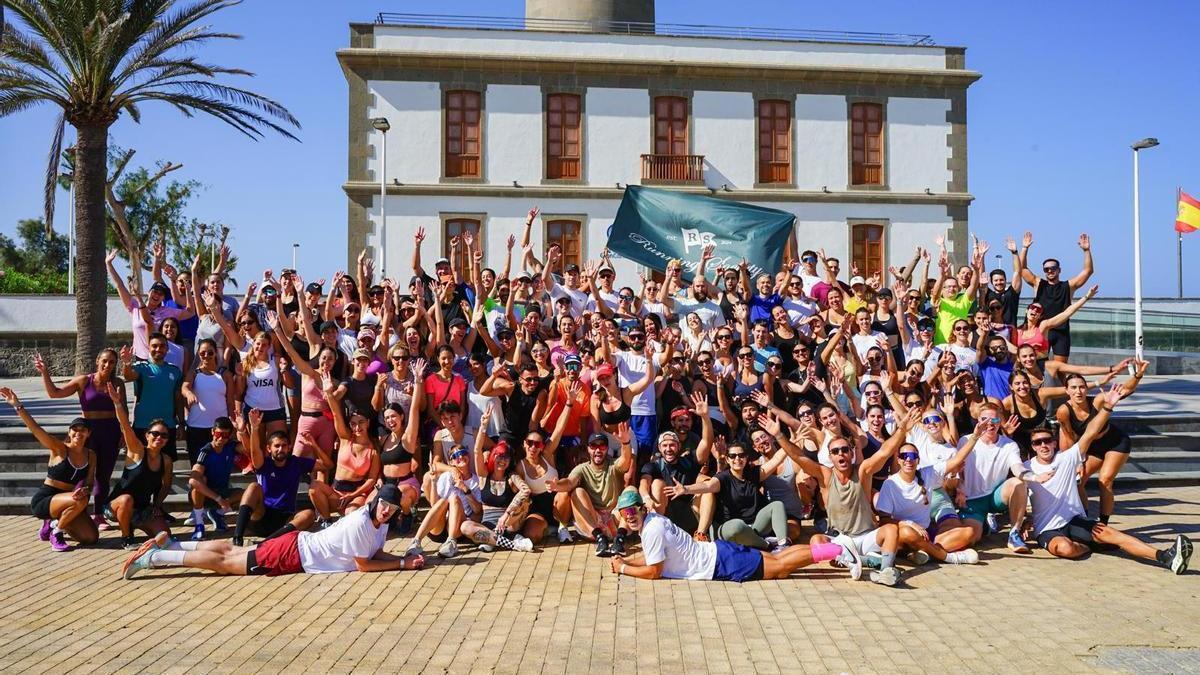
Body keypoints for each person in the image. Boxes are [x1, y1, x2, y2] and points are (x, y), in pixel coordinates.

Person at [1025, 385, 1191, 574]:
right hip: (1047, 528)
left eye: (1047, 440)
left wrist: (1108, 407)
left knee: (1113, 535)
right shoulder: (1027, 468)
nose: (1043, 445)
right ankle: (1089, 546)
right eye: (1038, 443)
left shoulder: (1067, 458)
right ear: (1033, 447)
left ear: (1054, 442)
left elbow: (1090, 433)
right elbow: (1017, 496)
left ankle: (1166, 557)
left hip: (1075, 520)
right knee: (1065, 548)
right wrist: (1022, 522)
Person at [122, 484, 425, 579]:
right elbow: (364, 564)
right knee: (225, 565)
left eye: (392, 509)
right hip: (294, 553)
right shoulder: (362, 521)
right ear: (375, 502)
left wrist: (401, 557)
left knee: (230, 550)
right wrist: (402, 564)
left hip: (297, 547)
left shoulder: (379, 523)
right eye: (384, 505)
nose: (387, 511)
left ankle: (174, 544)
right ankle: (155, 559)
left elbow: (374, 553)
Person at [763, 413, 902, 586]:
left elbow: (884, 452)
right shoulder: (826, 475)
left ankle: (885, 571)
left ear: (851, 453)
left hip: (866, 537)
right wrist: (779, 436)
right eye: (835, 451)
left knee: (890, 529)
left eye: (845, 450)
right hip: (841, 540)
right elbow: (799, 457)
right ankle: (865, 560)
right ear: (830, 457)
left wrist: (903, 429)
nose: (840, 454)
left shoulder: (862, 471)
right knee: (816, 541)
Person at [607, 490, 851, 582]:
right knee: (778, 560)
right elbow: (652, 560)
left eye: (632, 510)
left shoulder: (651, 530)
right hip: (719, 552)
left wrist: (623, 570)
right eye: (624, 513)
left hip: (719, 563)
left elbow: (654, 572)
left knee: (780, 568)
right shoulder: (653, 521)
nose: (629, 516)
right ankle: (834, 547)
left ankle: (839, 551)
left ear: (641, 508)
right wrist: (626, 561)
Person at [33, 348, 125, 529]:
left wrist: (123, 431)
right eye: (104, 361)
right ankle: (67, 511)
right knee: (80, 476)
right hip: (87, 433)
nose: (107, 365)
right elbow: (55, 393)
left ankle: (98, 515)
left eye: (112, 362)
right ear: (98, 361)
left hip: (111, 432)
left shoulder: (117, 382)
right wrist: (45, 373)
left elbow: (122, 409)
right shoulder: (84, 381)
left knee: (103, 476)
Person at [1, 388, 99, 552]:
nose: (78, 433)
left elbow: (89, 482)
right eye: (75, 429)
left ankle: (53, 523)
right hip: (45, 500)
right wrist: (18, 405)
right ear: (69, 431)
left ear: (88, 433)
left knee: (91, 538)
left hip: (70, 499)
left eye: (83, 430)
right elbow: (36, 430)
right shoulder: (59, 449)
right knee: (79, 502)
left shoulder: (91, 455)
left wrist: (84, 490)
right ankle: (57, 532)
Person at [1057, 364, 1148, 524]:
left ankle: (1103, 523)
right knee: (1077, 480)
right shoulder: (1063, 411)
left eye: (1082, 387)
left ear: (1087, 389)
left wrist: (1137, 376)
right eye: (1074, 388)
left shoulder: (1097, 401)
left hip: (1116, 443)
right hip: (1093, 447)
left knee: (1104, 481)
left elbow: (1124, 391)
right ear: (1067, 391)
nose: (1078, 391)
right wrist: (1076, 462)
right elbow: (1069, 436)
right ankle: (1083, 519)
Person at [232, 409, 322, 547]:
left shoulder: (296, 462)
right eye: (277, 446)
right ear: (269, 448)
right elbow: (254, 450)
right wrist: (254, 428)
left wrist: (314, 446)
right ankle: (237, 539)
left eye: (284, 446)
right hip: (261, 516)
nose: (280, 449)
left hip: (285, 521)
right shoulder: (263, 463)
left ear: (289, 447)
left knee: (309, 514)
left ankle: (266, 544)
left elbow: (327, 465)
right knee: (253, 487)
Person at [548, 422, 635, 556]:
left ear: (607, 449)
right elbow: (570, 482)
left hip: (616, 520)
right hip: (592, 523)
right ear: (588, 449)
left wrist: (625, 443)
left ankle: (620, 540)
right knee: (577, 492)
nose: (598, 450)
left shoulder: (613, 465)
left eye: (602, 446)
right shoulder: (582, 468)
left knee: (631, 490)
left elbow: (625, 460)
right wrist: (557, 485)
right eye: (594, 446)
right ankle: (600, 539)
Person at [104, 382, 173, 548]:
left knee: (166, 537)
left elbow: (166, 485)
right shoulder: (137, 450)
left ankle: (132, 523)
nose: (159, 438)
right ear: (147, 435)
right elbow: (126, 426)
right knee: (127, 499)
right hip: (116, 506)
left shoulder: (166, 460)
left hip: (142, 509)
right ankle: (126, 537)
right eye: (155, 434)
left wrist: (157, 505)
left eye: (163, 435)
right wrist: (117, 403)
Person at [308, 381, 381, 526]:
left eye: (361, 422)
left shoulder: (373, 451)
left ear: (367, 423)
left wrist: (352, 495)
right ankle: (327, 520)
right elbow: (336, 414)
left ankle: (346, 521)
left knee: (351, 513)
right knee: (314, 487)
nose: (357, 427)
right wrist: (329, 393)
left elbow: (371, 480)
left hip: (356, 494)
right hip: (336, 492)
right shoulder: (345, 439)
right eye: (353, 423)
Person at [1019, 231, 1093, 363]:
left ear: (1059, 270)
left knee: (1060, 370)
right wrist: (1025, 248)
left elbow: (1088, 271)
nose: (1050, 271)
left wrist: (1086, 251)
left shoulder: (1068, 286)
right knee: (1037, 366)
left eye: (1053, 268)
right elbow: (1022, 269)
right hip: (1040, 331)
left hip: (1061, 332)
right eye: (1046, 269)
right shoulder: (1038, 283)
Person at [186, 416, 247, 540]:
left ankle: (217, 513)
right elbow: (193, 480)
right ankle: (199, 525)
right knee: (199, 483)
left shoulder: (231, 446)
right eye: (218, 434)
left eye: (226, 435)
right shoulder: (206, 451)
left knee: (247, 493)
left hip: (223, 491)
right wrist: (218, 499)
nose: (221, 438)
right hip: (206, 494)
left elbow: (249, 450)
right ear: (213, 431)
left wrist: (241, 431)